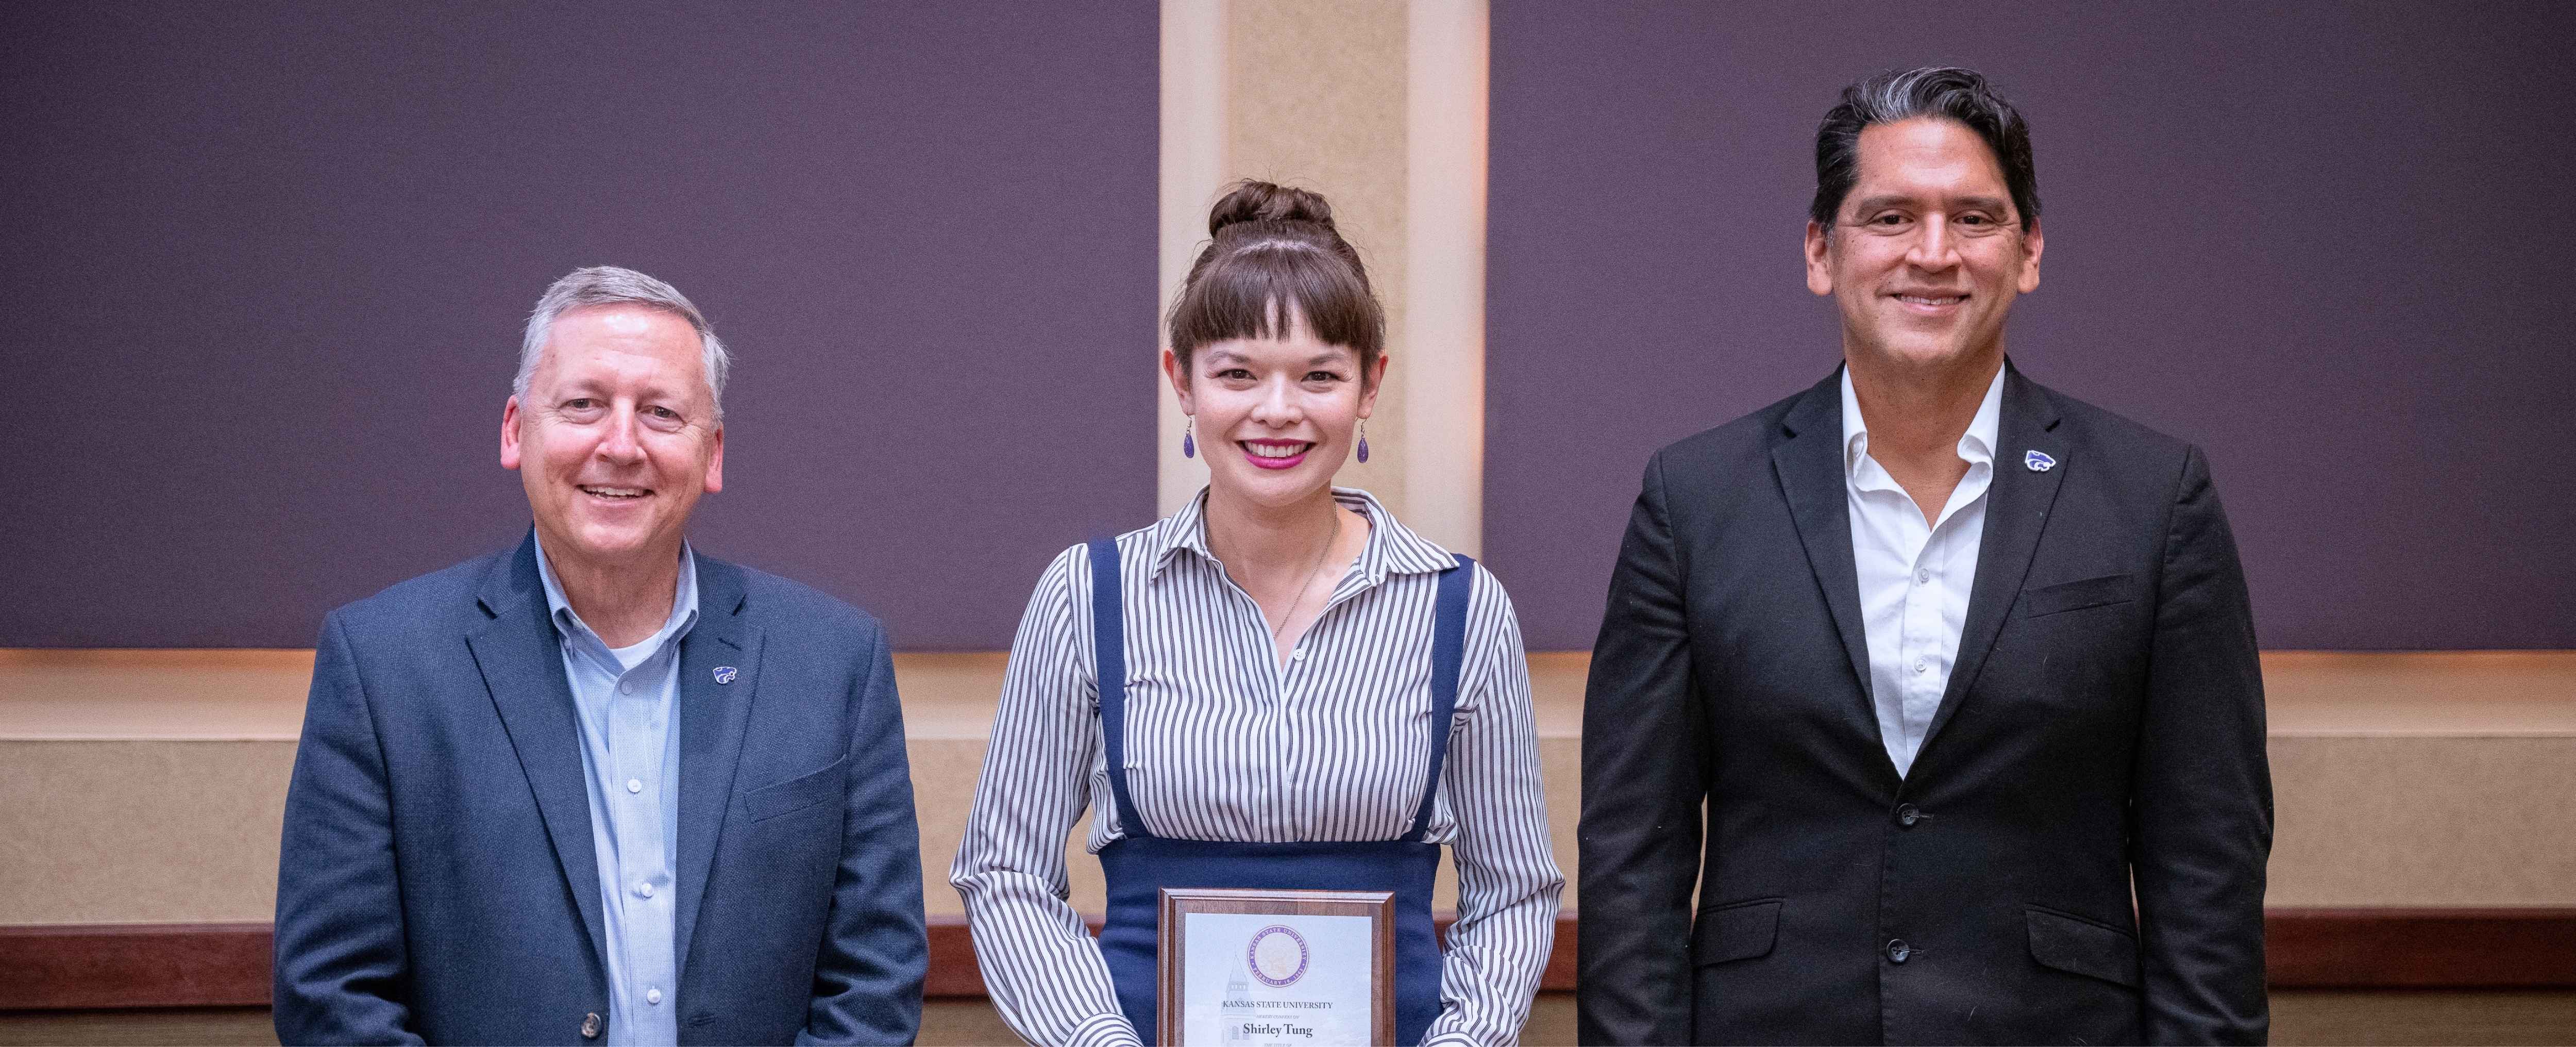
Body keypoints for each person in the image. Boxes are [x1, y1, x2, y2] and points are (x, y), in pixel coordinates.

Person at [1576, 68, 2272, 1045]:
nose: (1934, 254)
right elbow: (1631, 853)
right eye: (1892, 217)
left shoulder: (2155, 498)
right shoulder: (1695, 498)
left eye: (1975, 219)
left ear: (2029, 251)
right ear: (1822, 250)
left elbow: (2209, 856)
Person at [952, 182, 1563, 1046]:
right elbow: (1004, 870)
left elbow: (1515, 889)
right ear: (1182, 380)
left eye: (1319, 375)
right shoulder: (1088, 597)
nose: (1278, 411)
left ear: (1370, 386)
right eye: (1237, 373)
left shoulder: (1459, 607)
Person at [273, 266, 927, 1044]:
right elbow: (332, 997)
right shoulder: (384, 664)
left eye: (660, 412)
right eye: (584, 405)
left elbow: (874, 982)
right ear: (517, 429)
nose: (621, 445)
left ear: (712, 454)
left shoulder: (833, 663)